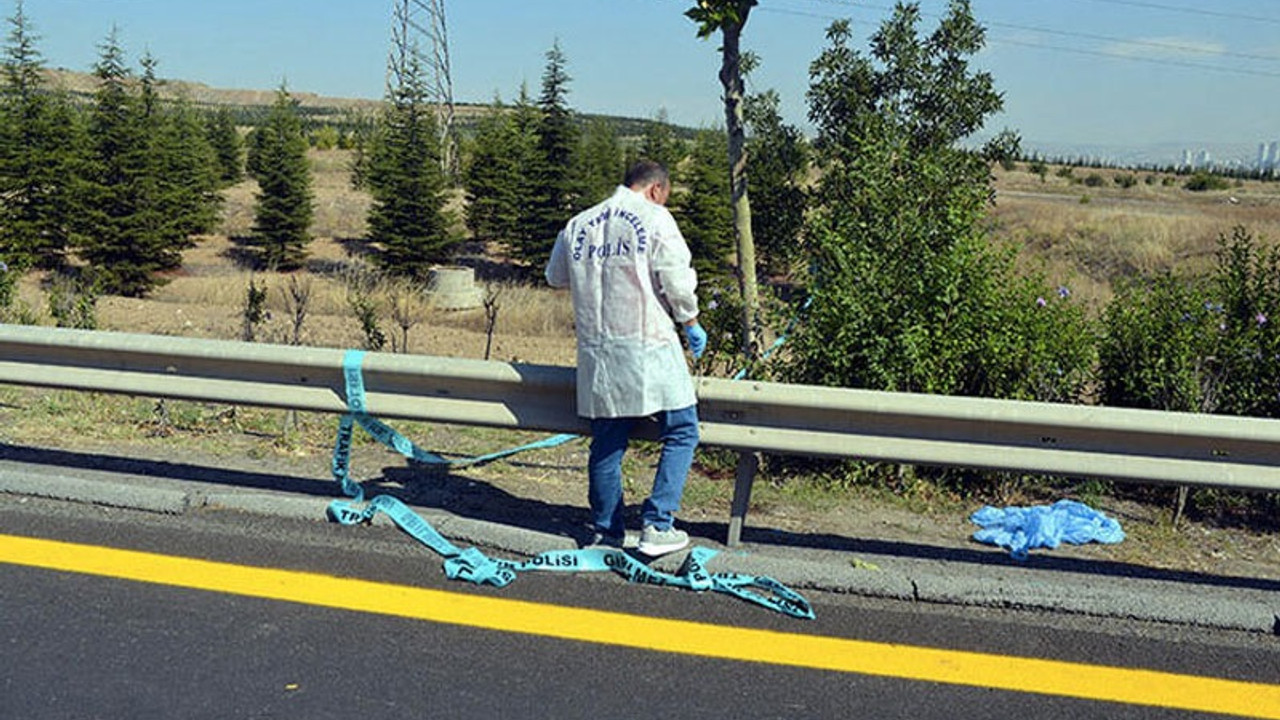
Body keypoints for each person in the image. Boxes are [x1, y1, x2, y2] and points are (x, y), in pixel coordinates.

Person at [545, 159, 707, 557]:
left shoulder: (579, 223)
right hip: (649, 345)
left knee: (607, 443)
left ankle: (606, 531)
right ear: (656, 190)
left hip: (599, 352)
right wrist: (691, 322)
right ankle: (657, 524)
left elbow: (555, 276)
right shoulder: (655, 218)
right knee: (683, 430)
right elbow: (677, 279)